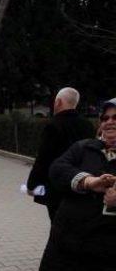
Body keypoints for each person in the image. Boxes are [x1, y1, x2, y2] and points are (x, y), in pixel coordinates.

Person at [38, 99, 116, 271]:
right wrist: (88, 182)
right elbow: (57, 170)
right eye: (105, 117)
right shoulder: (84, 148)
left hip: (112, 257)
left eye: (115, 117)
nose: (109, 122)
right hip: (74, 252)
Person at [26, 87, 96, 220]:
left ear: (58, 102)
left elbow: (44, 158)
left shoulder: (53, 126)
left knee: (58, 224)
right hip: (81, 183)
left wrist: (32, 184)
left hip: (57, 186)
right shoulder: (87, 125)